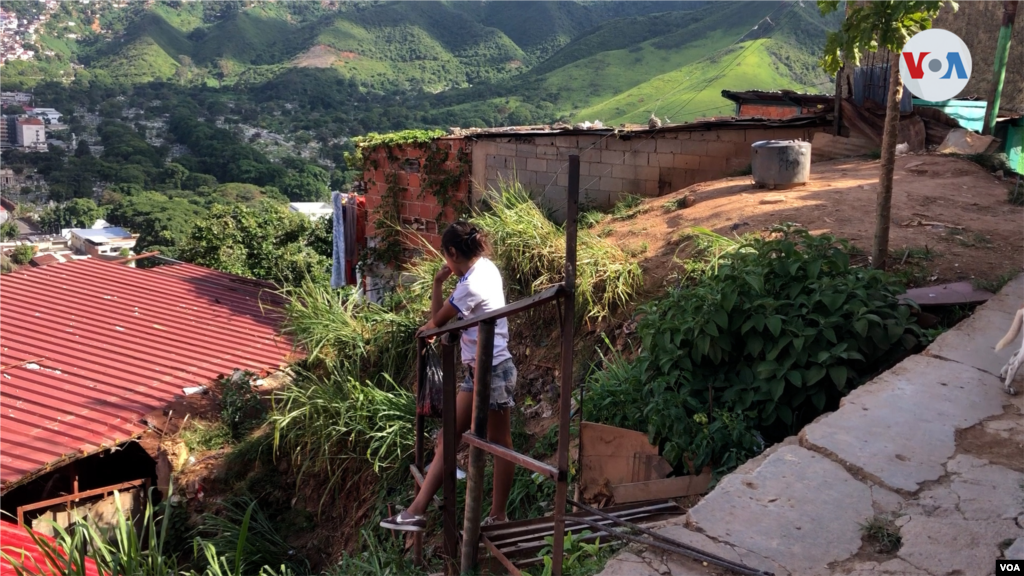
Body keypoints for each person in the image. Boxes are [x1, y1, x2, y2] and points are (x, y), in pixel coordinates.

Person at [380, 221, 518, 532]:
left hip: (491, 370)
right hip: (482, 369)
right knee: (456, 438)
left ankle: (492, 516)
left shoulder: (470, 285)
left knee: (497, 443)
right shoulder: (484, 268)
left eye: (445, 256)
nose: (445, 263)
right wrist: (441, 286)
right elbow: (440, 320)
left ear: (452, 252)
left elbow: (435, 324)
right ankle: (422, 511)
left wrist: (436, 285)